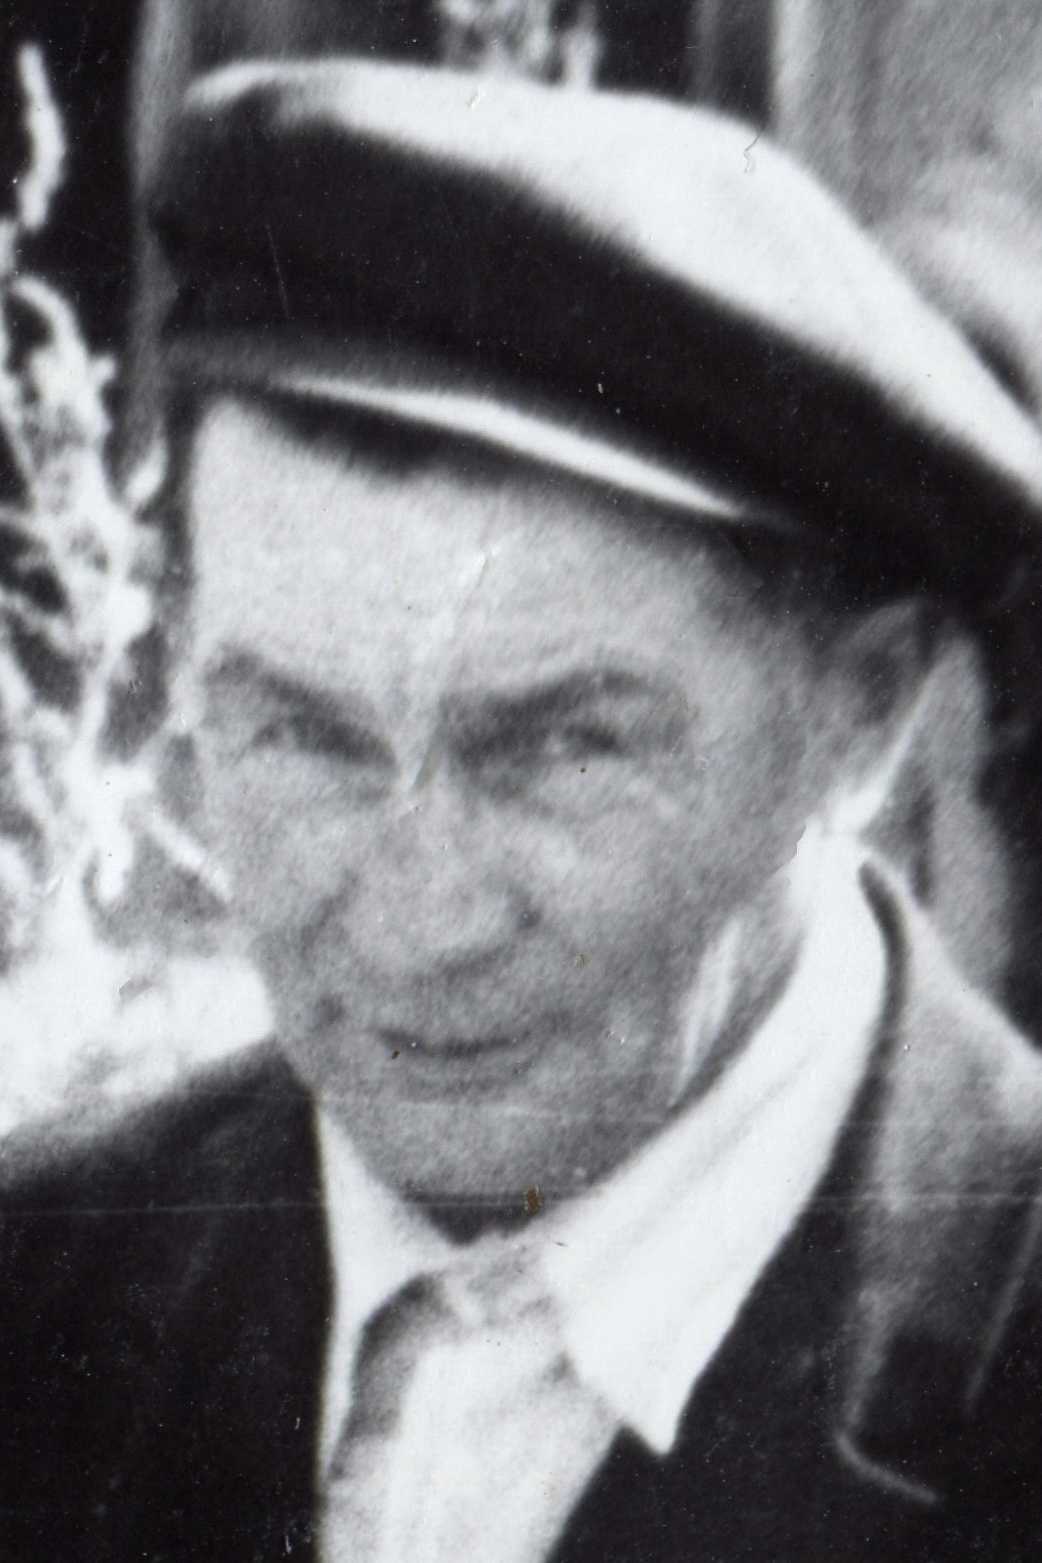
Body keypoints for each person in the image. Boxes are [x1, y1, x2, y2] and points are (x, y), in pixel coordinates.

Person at [6, 57, 1042, 1562]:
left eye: (559, 749)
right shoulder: (41, 1289)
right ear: (180, 663)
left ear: (865, 716)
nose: (420, 923)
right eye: (303, 735)